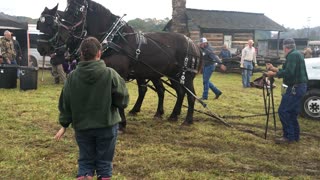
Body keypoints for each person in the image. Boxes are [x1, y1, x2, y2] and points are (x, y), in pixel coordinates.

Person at [54, 37, 129, 179]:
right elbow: (123, 100)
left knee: (85, 161)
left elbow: (65, 102)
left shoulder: (72, 77)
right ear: (99, 53)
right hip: (107, 126)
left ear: (81, 53)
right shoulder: (110, 74)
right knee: (105, 163)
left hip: (82, 127)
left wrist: (64, 124)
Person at [266, 38, 308, 144]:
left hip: (295, 88)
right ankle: (294, 136)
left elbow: (289, 73)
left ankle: (288, 137)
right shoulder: (296, 54)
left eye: (283, 47)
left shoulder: (292, 55)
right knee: (292, 112)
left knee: (284, 111)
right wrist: (274, 68)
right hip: (299, 87)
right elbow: (287, 70)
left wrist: (273, 74)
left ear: (285, 47)